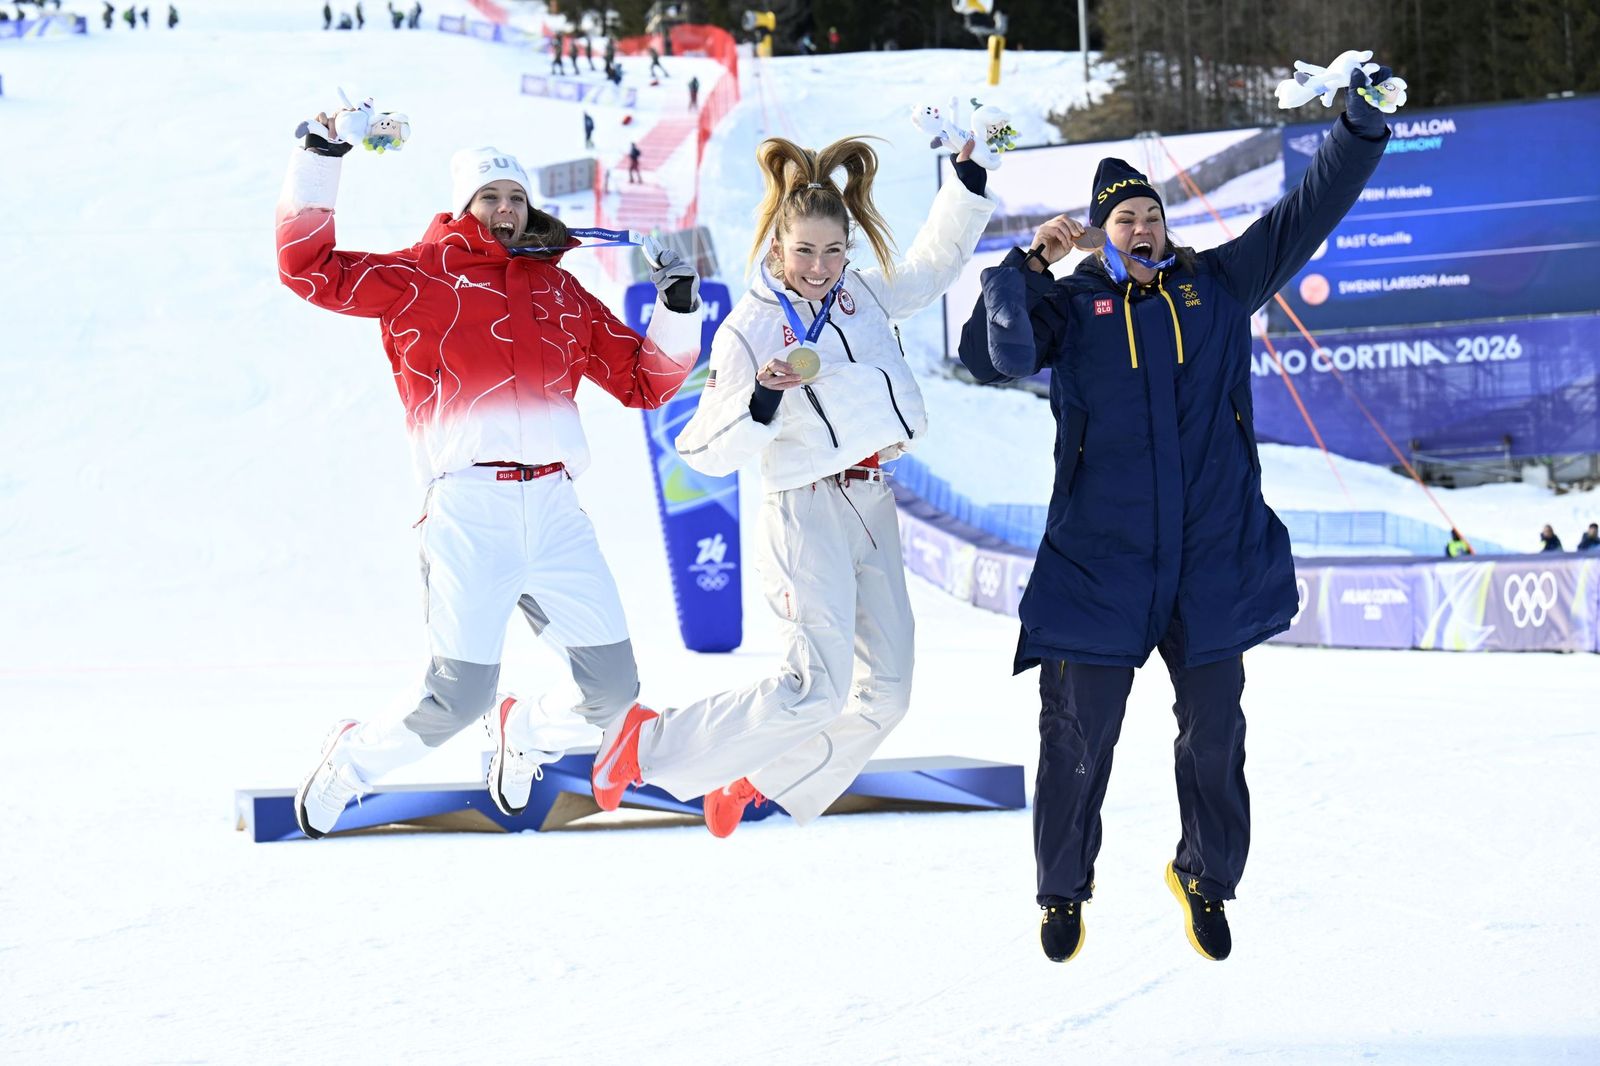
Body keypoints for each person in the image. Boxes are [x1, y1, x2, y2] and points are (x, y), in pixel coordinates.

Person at [958, 65, 1399, 964]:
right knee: (1077, 738)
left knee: (1216, 734)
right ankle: (1062, 891)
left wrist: (1358, 128)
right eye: (1124, 217)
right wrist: (1026, 267)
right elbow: (993, 354)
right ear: (1101, 234)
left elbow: (1302, 215)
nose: (1144, 226)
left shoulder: (1217, 287)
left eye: (1152, 214)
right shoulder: (1070, 307)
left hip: (1209, 555)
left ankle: (1206, 877)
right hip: (1100, 561)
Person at [275, 107, 704, 839]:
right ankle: (351, 761)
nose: (506, 209)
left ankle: (527, 731)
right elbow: (308, 270)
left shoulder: (561, 293)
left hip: (557, 509)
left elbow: (647, 382)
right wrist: (321, 154)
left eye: (516, 197)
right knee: (459, 695)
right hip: (471, 511)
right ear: (463, 205)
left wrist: (678, 305)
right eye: (490, 197)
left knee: (614, 693)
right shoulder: (417, 276)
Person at [585, 135, 996, 837]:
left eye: (833, 251)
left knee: (887, 695)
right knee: (814, 688)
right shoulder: (748, 328)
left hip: (872, 497)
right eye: (804, 251)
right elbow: (702, 449)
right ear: (778, 245)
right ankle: (644, 743)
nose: (819, 267)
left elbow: (932, 268)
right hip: (805, 508)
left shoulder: (861, 295)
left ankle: (761, 777)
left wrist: (967, 183)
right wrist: (764, 400)